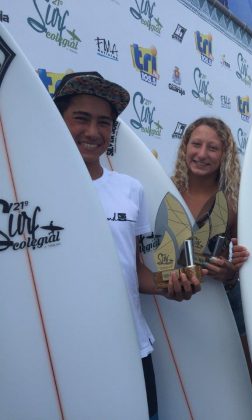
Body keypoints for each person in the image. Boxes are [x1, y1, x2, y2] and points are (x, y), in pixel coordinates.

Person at [53, 71, 201, 420]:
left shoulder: (129, 189)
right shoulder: (32, 189)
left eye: (104, 122)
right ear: (56, 119)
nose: (93, 132)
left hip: (131, 346)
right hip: (64, 353)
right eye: (81, 118)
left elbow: (134, 271)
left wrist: (172, 285)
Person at [170, 116, 252, 418]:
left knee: (240, 387)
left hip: (227, 309)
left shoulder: (235, 203)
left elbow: (242, 265)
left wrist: (231, 272)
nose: (202, 154)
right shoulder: (165, 192)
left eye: (213, 148)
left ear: (224, 155)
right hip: (177, 307)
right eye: (196, 144)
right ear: (185, 148)